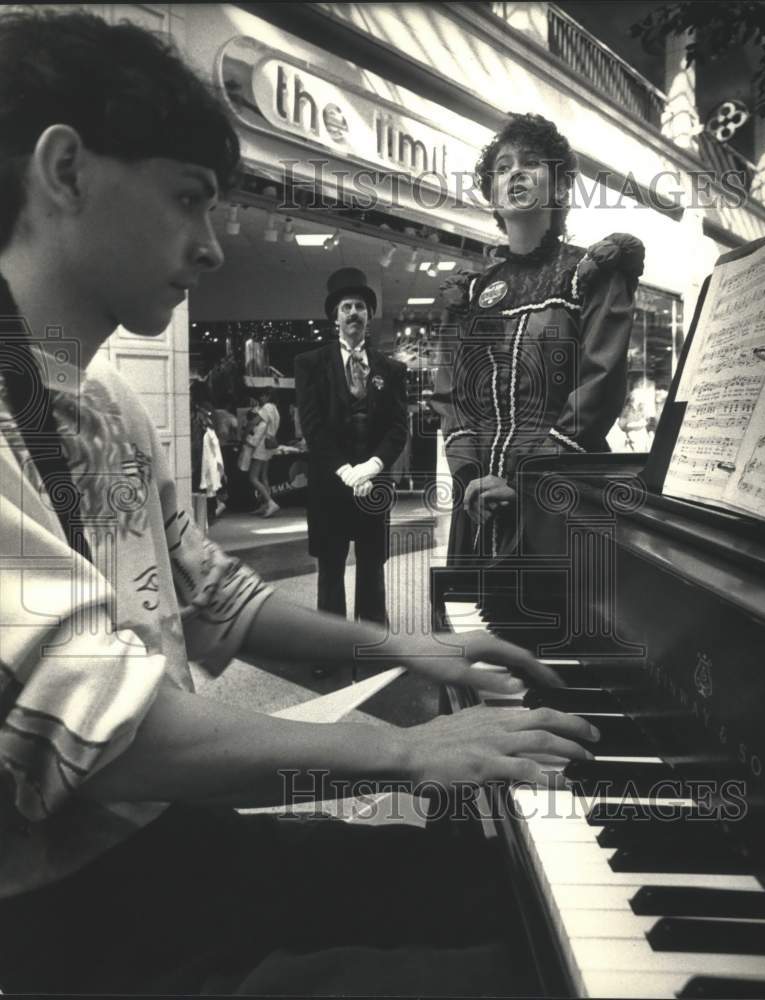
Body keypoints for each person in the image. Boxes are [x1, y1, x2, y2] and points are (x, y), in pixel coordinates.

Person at [0, 11, 598, 994]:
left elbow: (221, 601)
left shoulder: (109, 408)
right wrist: (403, 752)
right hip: (64, 927)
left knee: (485, 878)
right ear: (65, 172)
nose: (212, 249)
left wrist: (408, 650)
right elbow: (107, 733)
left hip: (163, 853)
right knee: (506, 964)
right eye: (188, 200)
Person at [439, 113, 645, 562]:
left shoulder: (590, 276)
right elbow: (453, 396)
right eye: (502, 166)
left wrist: (525, 477)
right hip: (477, 505)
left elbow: (599, 386)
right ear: (492, 194)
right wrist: (473, 477)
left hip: (562, 494)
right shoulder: (471, 294)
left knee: (555, 623)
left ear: (559, 187)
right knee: (474, 625)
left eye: (530, 163)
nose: (514, 172)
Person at [295, 268, 406, 628]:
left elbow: (398, 426)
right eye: (346, 307)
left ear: (369, 315)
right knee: (330, 568)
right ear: (335, 316)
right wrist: (345, 472)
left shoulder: (391, 369)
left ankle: (372, 637)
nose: (354, 312)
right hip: (330, 486)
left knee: (372, 565)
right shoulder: (309, 364)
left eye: (360, 306)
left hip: (374, 485)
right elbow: (313, 426)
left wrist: (372, 467)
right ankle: (330, 646)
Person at [248, 385, 281, 517]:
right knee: (264, 476)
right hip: (270, 445)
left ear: (268, 396)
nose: (261, 398)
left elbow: (255, 421)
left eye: (263, 395)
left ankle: (270, 502)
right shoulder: (276, 410)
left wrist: (246, 431)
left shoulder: (267, 408)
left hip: (262, 445)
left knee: (253, 477)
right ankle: (266, 505)